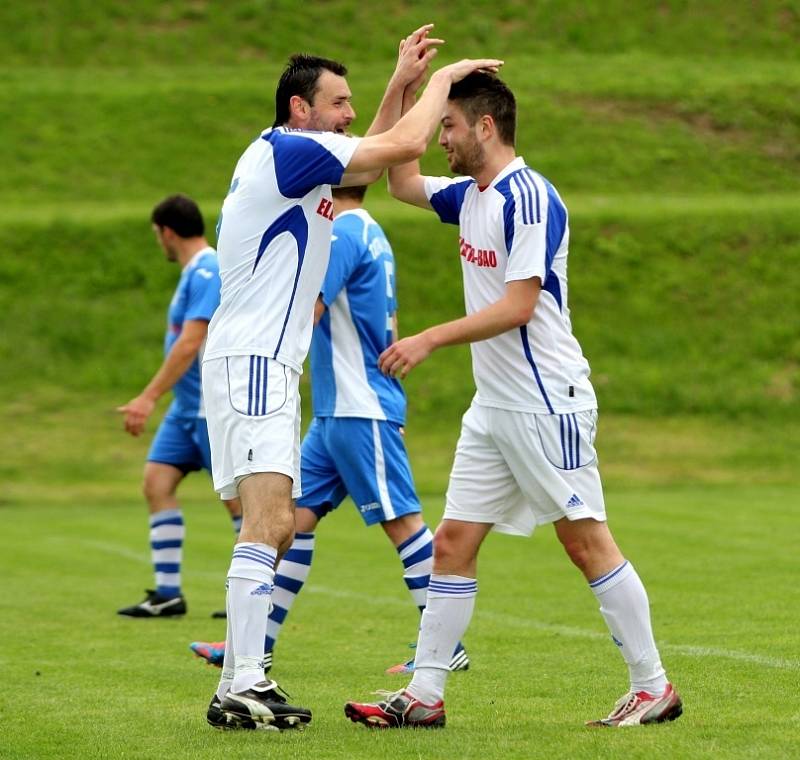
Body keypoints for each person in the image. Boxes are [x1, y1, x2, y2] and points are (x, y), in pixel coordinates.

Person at [343, 72, 682, 729]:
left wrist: (431, 338)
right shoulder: (471, 195)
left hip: (545, 402)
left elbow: (520, 305)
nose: (439, 138)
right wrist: (407, 85)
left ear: (485, 128)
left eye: (448, 126)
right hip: (494, 407)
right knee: (452, 543)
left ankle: (653, 687)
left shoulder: (529, 198)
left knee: (587, 545)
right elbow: (399, 178)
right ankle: (425, 694)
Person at [200, 23, 502, 731]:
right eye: (338, 102)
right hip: (254, 363)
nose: (346, 113)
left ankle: (242, 681)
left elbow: (364, 167)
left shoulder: (296, 160)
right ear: (300, 110)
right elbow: (398, 150)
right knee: (269, 522)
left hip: (259, 363)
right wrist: (440, 84)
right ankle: (241, 683)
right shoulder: (289, 150)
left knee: (273, 527)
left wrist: (400, 82)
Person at [189, 184, 468, 676]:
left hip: (359, 405)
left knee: (402, 523)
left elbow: (309, 308)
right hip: (338, 410)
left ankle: (444, 646)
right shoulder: (371, 230)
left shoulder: (340, 233)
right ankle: (257, 643)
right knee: (293, 520)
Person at [116, 194, 243, 618]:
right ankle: (168, 593)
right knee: (156, 483)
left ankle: (252, 596)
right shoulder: (194, 271)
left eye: (158, 235)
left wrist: (148, 396)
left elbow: (191, 342)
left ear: (167, 232)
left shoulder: (208, 268)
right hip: (185, 409)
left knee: (239, 503)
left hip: (211, 407)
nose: (160, 242)